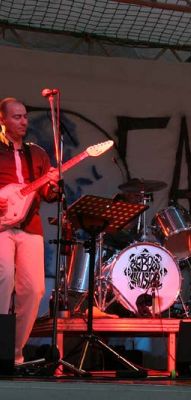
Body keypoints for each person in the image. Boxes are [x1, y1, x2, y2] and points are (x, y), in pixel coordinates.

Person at [0, 97, 59, 365]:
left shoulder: (37, 153)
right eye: (17, 117)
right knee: (3, 278)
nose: (23, 121)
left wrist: (53, 185)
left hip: (30, 226)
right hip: (1, 227)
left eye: (25, 116)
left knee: (34, 289)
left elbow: (48, 194)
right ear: (2, 120)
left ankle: (14, 352)